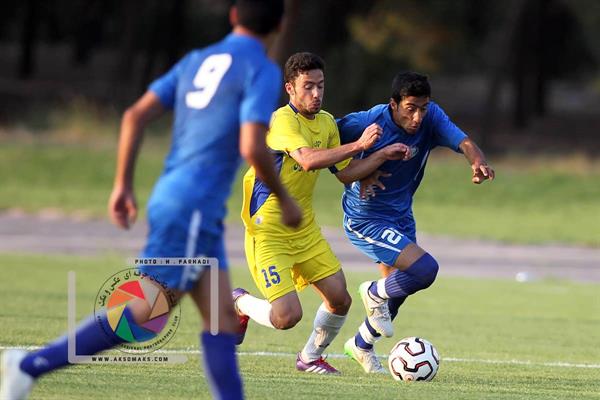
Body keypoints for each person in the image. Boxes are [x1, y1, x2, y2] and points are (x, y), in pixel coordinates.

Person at [0, 1, 301, 399]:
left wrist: (122, 184)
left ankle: (28, 365)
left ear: (232, 16)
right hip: (195, 208)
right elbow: (252, 144)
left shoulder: (198, 59)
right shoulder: (260, 69)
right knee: (146, 313)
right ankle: (29, 365)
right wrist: (285, 198)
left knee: (223, 320)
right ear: (280, 25)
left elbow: (134, 116)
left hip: (176, 197)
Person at [231, 52, 411, 374]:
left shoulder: (327, 122)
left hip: (304, 228)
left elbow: (345, 173)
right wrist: (358, 144)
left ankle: (310, 357)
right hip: (268, 231)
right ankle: (239, 302)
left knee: (341, 299)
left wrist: (382, 154)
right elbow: (309, 159)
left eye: (321, 86)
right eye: (308, 87)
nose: (316, 94)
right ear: (290, 88)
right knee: (287, 317)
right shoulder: (282, 121)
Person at [338, 72, 495, 373]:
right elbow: (329, 144)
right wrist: (363, 168)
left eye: (423, 107)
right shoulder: (368, 122)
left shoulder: (432, 117)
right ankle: (371, 293)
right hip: (365, 218)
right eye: (411, 108)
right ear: (393, 104)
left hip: (400, 215)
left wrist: (477, 161)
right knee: (424, 270)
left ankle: (360, 345)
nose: (418, 116)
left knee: (397, 291)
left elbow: (464, 142)